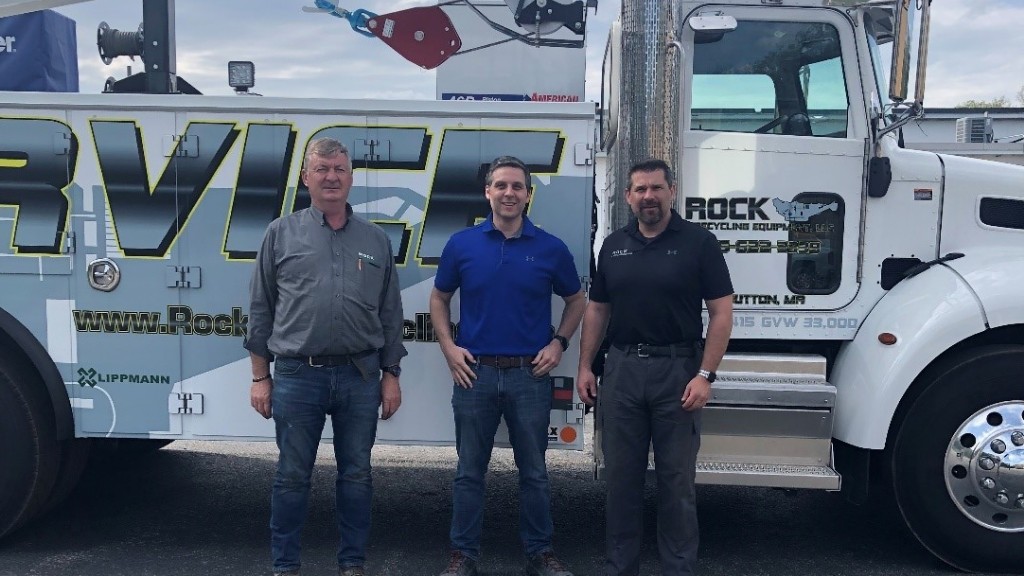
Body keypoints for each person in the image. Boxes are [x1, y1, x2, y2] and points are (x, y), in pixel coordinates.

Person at [245, 137, 407, 576]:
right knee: (292, 476)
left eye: (339, 169)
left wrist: (391, 374)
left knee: (357, 474)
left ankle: (352, 563)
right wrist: (261, 376)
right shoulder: (280, 233)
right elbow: (261, 309)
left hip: (360, 375)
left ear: (352, 178)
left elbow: (391, 312)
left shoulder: (375, 239)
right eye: (322, 169)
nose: (331, 177)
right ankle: (285, 565)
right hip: (298, 375)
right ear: (306, 178)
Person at [429, 156, 586, 576]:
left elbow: (577, 300)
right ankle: (463, 555)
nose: (509, 193)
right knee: (468, 472)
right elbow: (439, 299)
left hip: (529, 375)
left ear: (529, 194)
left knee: (534, 471)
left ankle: (541, 552)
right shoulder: (462, 244)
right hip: (474, 374)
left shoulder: (550, 248)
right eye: (501, 185)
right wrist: (449, 348)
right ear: (488, 193)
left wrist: (559, 343)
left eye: (517, 186)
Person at [576, 159, 733, 576]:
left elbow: (721, 313)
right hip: (623, 370)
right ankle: (619, 567)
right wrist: (586, 367)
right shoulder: (613, 245)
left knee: (676, 484)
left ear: (672, 191)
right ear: (628, 196)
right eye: (640, 189)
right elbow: (597, 310)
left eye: (657, 188)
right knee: (620, 483)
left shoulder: (699, 243)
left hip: (678, 373)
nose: (649, 196)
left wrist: (705, 375)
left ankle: (678, 569)